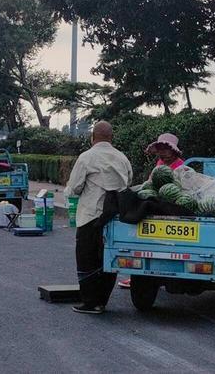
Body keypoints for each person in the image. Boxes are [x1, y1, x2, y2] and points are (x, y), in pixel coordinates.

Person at [65, 121, 133, 314]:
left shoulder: (86, 157)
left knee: (87, 259)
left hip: (91, 215)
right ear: (111, 138)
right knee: (108, 259)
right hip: (115, 217)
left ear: (92, 137)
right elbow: (128, 182)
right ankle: (102, 301)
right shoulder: (122, 158)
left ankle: (90, 302)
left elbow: (76, 187)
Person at [118, 132, 184, 290]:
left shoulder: (182, 167)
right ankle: (139, 276)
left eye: (166, 150)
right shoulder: (160, 164)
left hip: (171, 208)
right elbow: (150, 183)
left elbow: (179, 190)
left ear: (174, 151)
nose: (162, 153)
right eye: (160, 149)